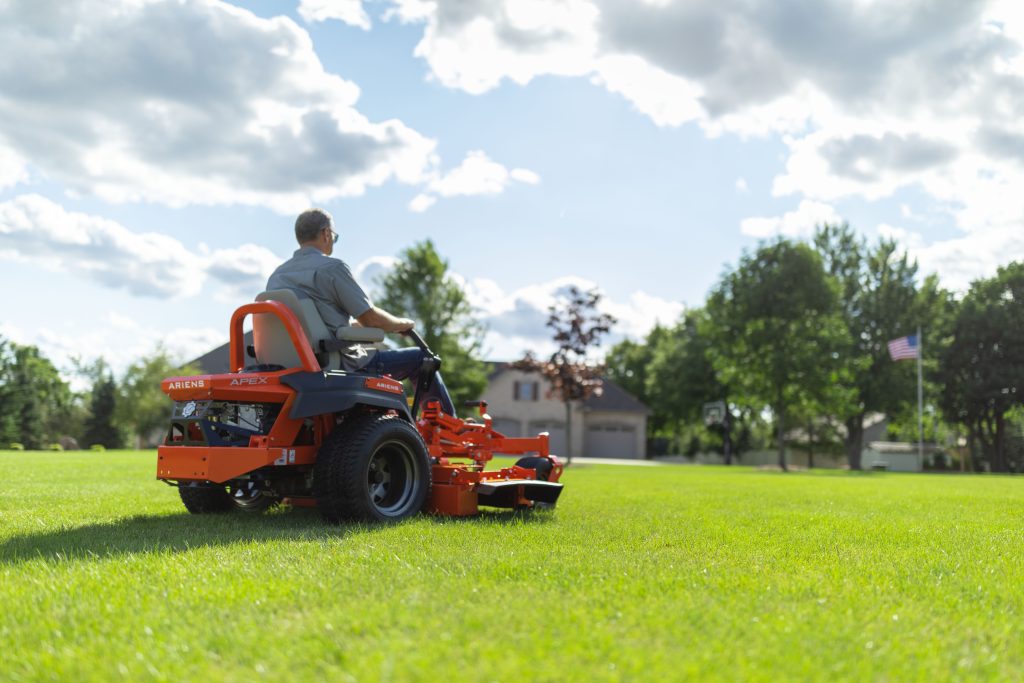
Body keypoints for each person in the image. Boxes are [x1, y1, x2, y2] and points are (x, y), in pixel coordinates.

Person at [266, 208, 455, 413]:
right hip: (340, 364)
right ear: (326, 234)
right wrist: (402, 324)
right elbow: (371, 319)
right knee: (421, 358)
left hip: (297, 364)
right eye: (333, 237)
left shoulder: (277, 276)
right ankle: (444, 427)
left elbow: (313, 324)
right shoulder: (332, 268)